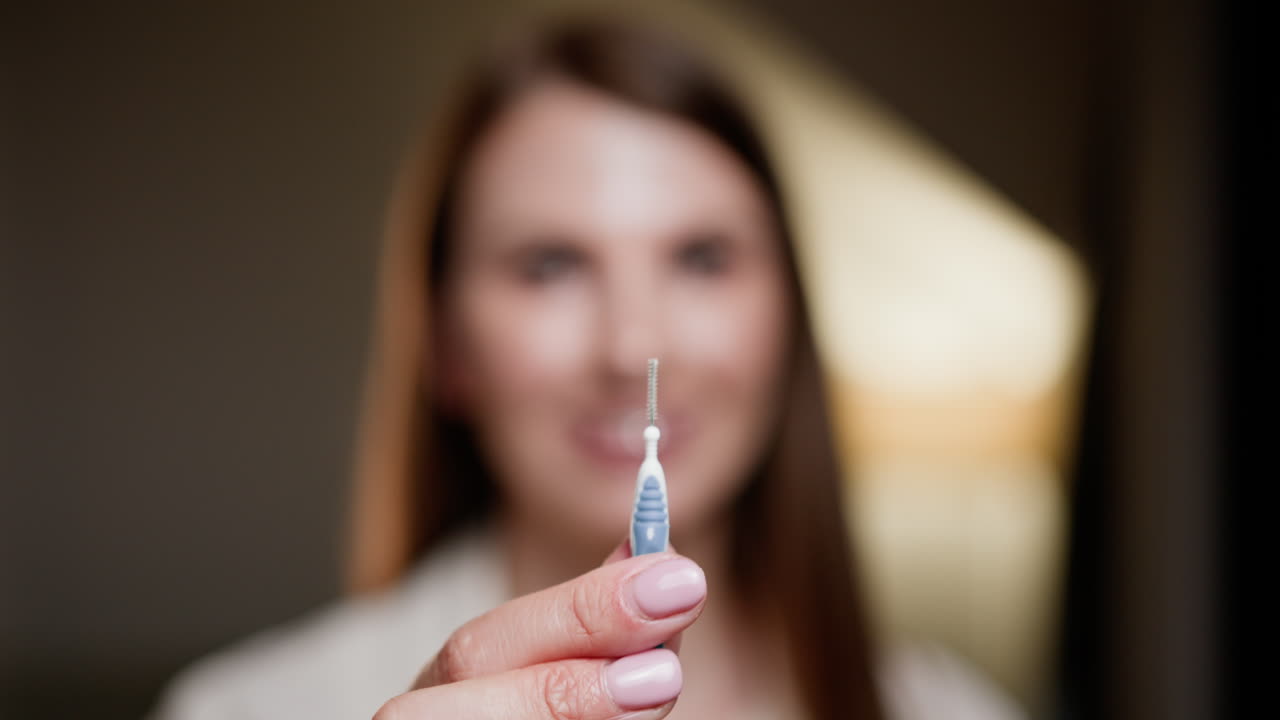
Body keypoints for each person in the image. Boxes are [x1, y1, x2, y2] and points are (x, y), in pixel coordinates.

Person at [150, 15, 1023, 720]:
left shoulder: (956, 710)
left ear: (788, 317)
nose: (630, 345)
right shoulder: (241, 708)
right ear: (448, 346)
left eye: (703, 258)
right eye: (550, 265)